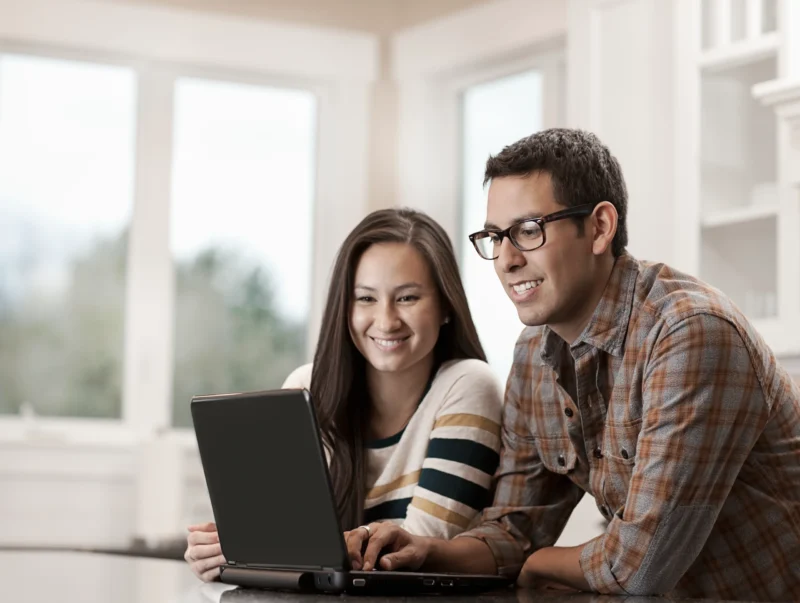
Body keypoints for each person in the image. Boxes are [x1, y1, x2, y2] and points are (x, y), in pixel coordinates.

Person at [350, 129, 800, 602]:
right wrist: (425, 551)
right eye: (495, 237)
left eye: (529, 230)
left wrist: (540, 562)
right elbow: (514, 531)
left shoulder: (689, 333)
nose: (506, 260)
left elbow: (640, 565)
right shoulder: (533, 354)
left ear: (600, 228)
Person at [184, 207, 503, 582]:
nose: (386, 321)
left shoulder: (469, 384)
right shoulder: (308, 389)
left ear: (446, 306)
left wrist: (282, 549)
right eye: (366, 299)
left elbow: (410, 552)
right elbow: (276, 537)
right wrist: (229, 550)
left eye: (407, 298)